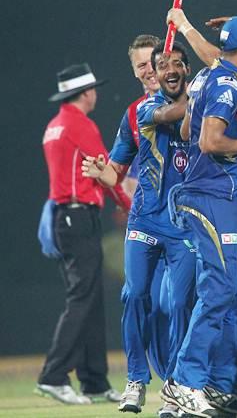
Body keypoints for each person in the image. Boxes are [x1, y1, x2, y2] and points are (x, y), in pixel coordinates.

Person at [160, 16, 237, 418]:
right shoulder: (228, 85)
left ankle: (215, 384)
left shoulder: (220, 75)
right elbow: (209, 141)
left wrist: (191, 27)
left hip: (217, 195)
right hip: (212, 195)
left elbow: (188, 130)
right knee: (219, 289)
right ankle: (184, 383)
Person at [83, 41, 198, 414]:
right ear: (136, 71)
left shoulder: (198, 97)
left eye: (158, 62)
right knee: (134, 294)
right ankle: (136, 380)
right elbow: (116, 170)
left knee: (178, 303)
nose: (151, 69)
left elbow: (188, 109)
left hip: (185, 224)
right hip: (145, 219)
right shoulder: (140, 111)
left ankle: (177, 383)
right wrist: (104, 175)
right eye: (144, 65)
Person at [37, 63, 129, 405]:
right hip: (79, 217)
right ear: (86, 93)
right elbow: (106, 173)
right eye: (93, 89)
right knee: (82, 298)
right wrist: (128, 204)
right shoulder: (80, 125)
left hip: (64, 218)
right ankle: (54, 375)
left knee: (89, 299)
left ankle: (94, 381)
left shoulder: (54, 126)